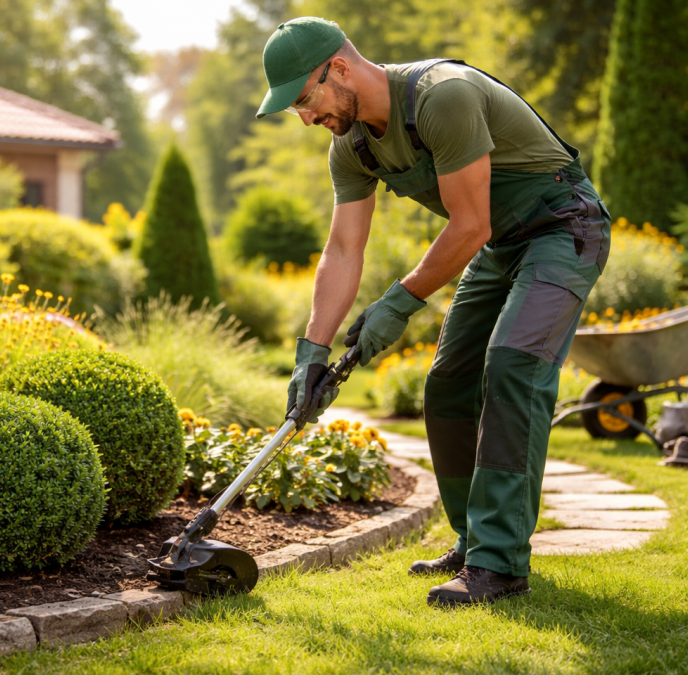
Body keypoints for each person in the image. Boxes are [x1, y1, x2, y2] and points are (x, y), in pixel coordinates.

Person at [256, 17, 610, 606]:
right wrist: (311, 354)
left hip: (563, 226)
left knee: (514, 364)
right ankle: (474, 543)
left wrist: (397, 303)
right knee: (448, 382)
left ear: (338, 69)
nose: (306, 118)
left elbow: (469, 224)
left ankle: (500, 564)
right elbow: (343, 250)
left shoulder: (442, 96)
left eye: (305, 100)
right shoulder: (352, 146)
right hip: (500, 244)